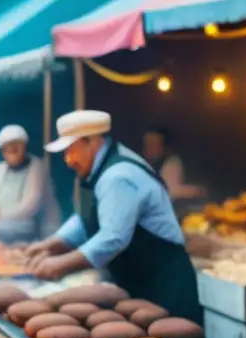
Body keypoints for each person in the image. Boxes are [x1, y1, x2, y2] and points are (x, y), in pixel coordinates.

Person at [26, 110, 202, 322]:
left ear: (91, 142)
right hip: (139, 284)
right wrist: (52, 244)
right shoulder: (100, 169)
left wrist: (61, 264)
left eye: (71, 150)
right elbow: (87, 219)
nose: (68, 160)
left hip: (164, 287)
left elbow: (113, 237)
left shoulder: (117, 176)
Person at [0, 125, 60, 244]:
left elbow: (29, 206)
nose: (12, 151)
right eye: (7, 148)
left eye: (16, 147)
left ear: (24, 147)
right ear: (2, 151)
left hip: (24, 226)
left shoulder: (36, 167)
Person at [141, 126, 207, 202]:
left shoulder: (172, 162)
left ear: (163, 146)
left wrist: (197, 191)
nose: (149, 148)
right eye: (147, 144)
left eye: (153, 144)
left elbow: (170, 192)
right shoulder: (140, 164)